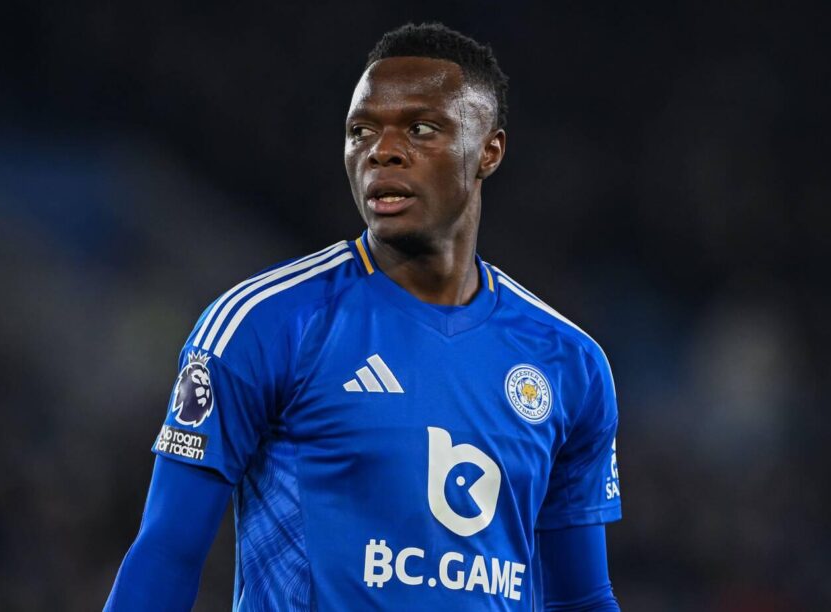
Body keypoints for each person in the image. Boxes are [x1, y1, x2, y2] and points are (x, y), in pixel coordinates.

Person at [105, 22, 622, 611]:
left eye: (422, 129)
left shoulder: (568, 361)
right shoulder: (267, 325)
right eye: (361, 131)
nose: (383, 150)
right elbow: (167, 553)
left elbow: (580, 598)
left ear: (489, 151)